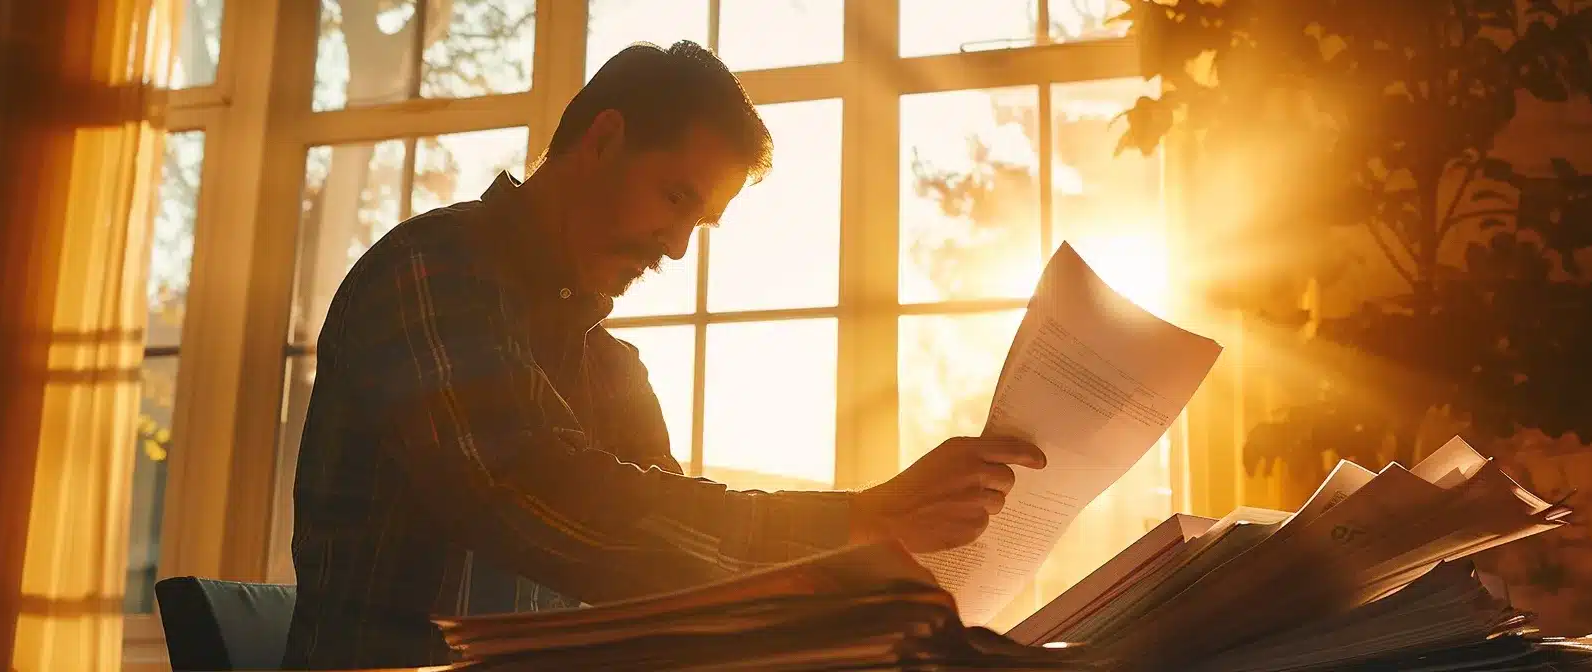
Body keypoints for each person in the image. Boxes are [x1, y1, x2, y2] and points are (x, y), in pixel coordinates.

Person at [281, 41, 1046, 669]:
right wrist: (852, 523)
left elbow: (681, 589)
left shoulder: (615, 373)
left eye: (700, 223)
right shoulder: (428, 270)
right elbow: (520, 492)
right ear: (602, 139)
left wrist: (866, 593)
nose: (677, 249)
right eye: (676, 198)